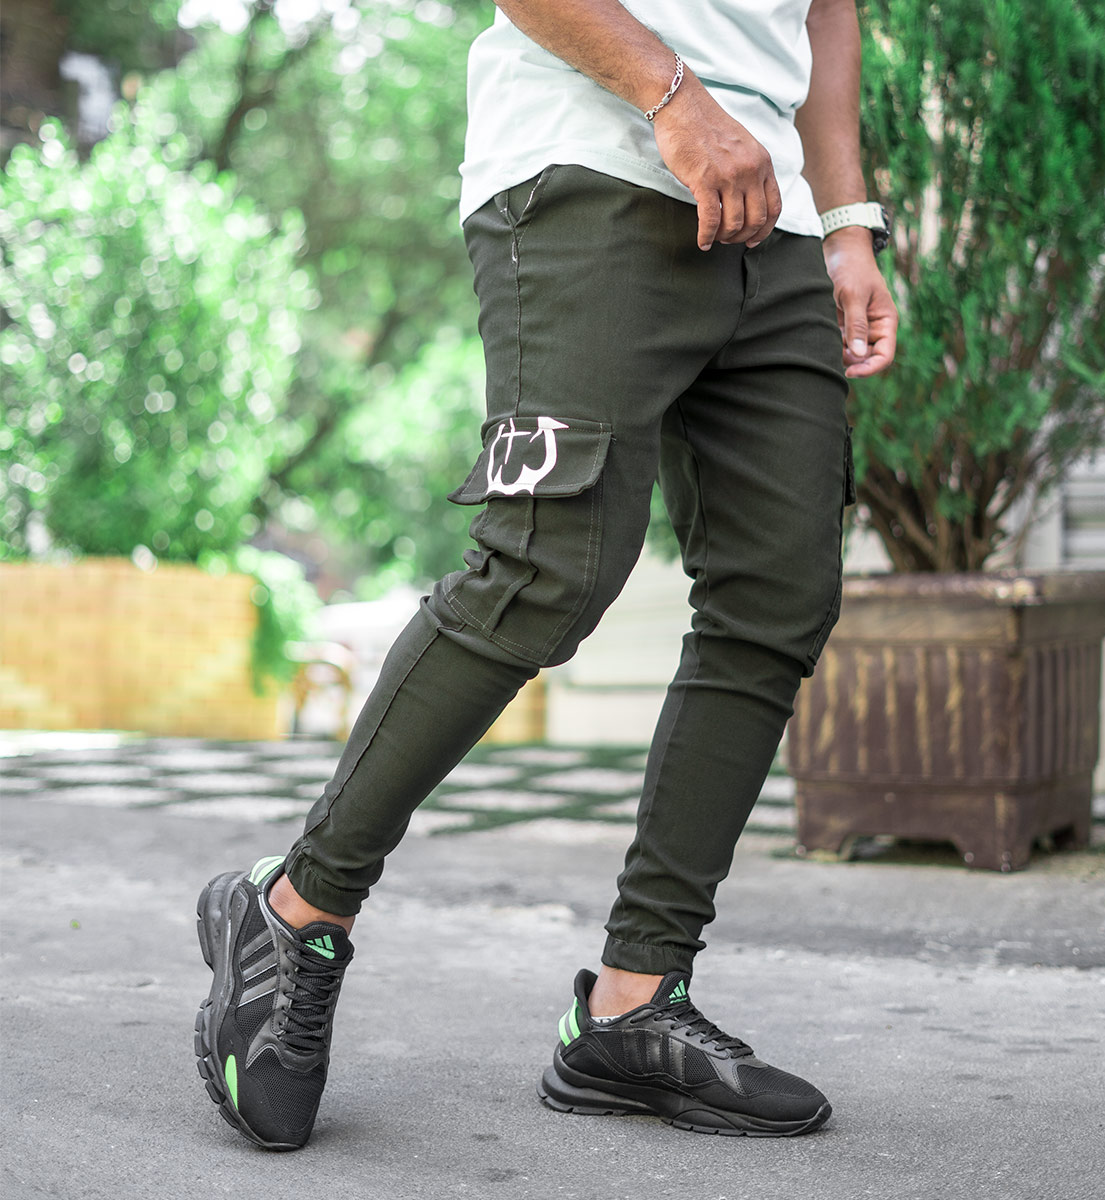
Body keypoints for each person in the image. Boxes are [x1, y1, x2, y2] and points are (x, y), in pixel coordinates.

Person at [194, 0, 898, 1149]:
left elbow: (827, 15)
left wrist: (848, 225)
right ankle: (297, 907)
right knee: (544, 572)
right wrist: (676, 98)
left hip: (777, 220)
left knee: (777, 600)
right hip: (591, 170)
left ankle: (633, 1004)